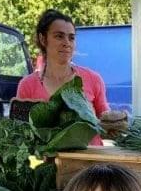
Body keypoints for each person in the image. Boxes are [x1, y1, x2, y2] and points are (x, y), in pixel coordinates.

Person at [17, 9, 109, 145]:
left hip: (92, 163)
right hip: (51, 164)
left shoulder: (93, 79)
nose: (67, 43)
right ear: (43, 39)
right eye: (59, 36)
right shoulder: (28, 85)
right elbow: (22, 133)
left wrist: (116, 124)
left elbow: (106, 123)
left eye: (71, 37)